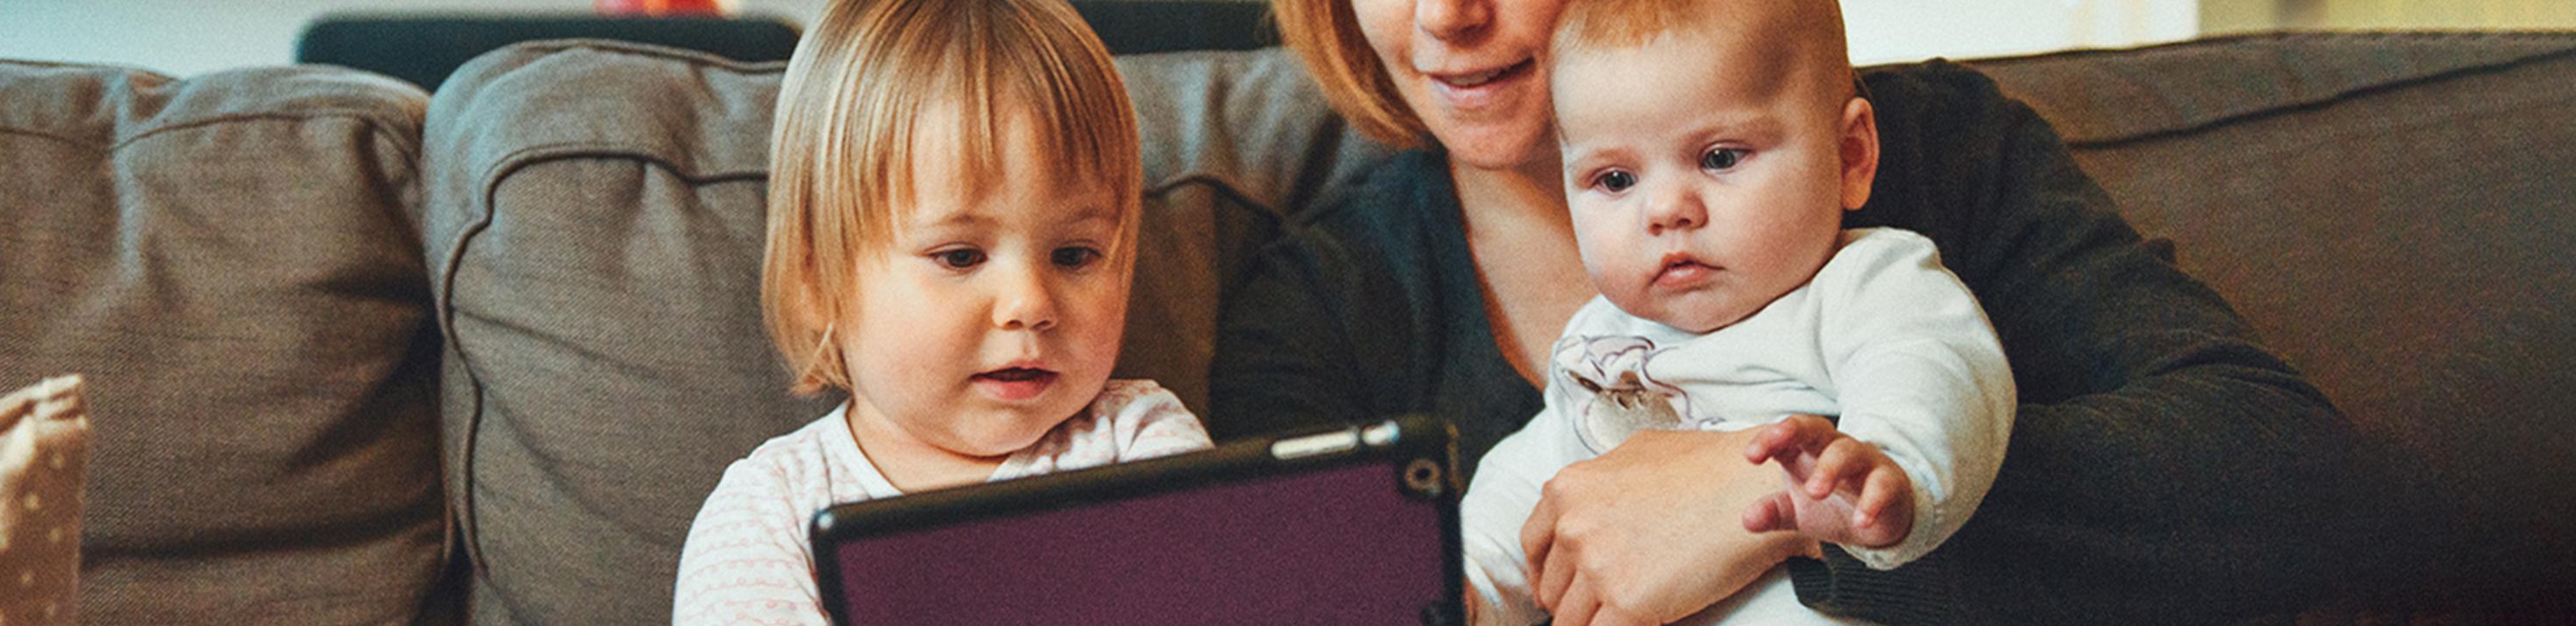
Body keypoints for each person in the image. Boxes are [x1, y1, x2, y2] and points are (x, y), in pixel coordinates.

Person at [1218, 0, 2413, 623]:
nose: (1445, 18)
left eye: (1724, 161)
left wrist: (1775, 506)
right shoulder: (1321, 305)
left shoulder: (1928, 171)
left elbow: (2295, 486)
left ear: (1848, 155)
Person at [1461, 2, 2011, 623]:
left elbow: (1934, 373)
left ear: (1851, 155)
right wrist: (1470, 583)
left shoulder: (1866, 285)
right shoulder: (1602, 340)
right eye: (1615, 179)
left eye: (1720, 157)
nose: (1666, 209)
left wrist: (1889, 475)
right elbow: (1532, 483)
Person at [672, 1, 1212, 623]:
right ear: (816, 281)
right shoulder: (771, 512)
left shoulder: (1142, 445)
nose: (1029, 305)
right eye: (959, 256)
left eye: (1073, 254)